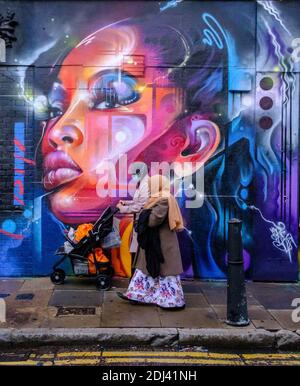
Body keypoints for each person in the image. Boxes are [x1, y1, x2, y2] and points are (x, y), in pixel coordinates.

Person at [117, 174, 185, 310]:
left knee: (164, 273)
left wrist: (144, 213)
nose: (149, 188)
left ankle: (171, 302)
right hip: (155, 242)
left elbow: (153, 221)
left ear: (156, 185)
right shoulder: (160, 198)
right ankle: (136, 294)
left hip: (161, 244)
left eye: (151, 185)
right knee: (146, 269)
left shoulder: (163, 200)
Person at [116, 163, 149, 273]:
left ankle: (134, 280)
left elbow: (141, 205)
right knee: (134, 250)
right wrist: (126, 203)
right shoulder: (141, 184)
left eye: (134, 173)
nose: (133, 176)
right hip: (138, 223)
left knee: (137, 252)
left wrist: (123, 209)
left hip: (142, 223)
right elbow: (138, 201)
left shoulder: (146, 184)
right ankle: (133, 280)